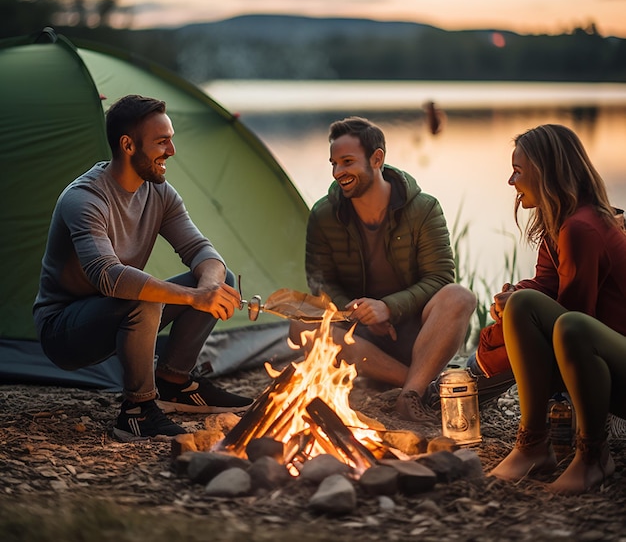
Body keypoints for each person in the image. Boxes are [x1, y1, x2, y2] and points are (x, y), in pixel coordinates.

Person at [33, 95, 253, 442]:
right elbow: (107, 276)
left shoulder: (159, 193)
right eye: (162, 142)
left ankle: (173, 383)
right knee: (144, 296)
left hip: (115, 312)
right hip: (64, 330)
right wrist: (195, 297)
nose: (172, 151)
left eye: (171, 139)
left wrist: (209, 288)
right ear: (128, 145)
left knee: (219, 278)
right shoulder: (85, 198)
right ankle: (136, 412)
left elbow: (201, 251)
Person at [289, 116, 477, 424]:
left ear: (377, 159)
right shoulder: (324, 214)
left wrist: (388, 308)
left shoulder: (423, 209)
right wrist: (359, 312)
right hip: (362, 336)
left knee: (459, 297)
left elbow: (441, 278)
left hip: (418, 331)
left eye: (347, 162)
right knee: (300, 326)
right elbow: (320, 282)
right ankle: (416, 387)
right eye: (334, 164)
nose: (339, 173)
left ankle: (409, 394)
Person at [488, 123, 626, 494]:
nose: (511, 181)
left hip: (613, 362)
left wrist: (520, 316)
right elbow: (547, 285)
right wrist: (514, 295)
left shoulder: (582, 227)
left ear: (547, 173)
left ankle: (593, 455)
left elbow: (575, 319)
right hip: (607, 358)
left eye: (518, 171)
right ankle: (532, 445)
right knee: (525, 302)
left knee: (571, 328)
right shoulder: (561, 222)